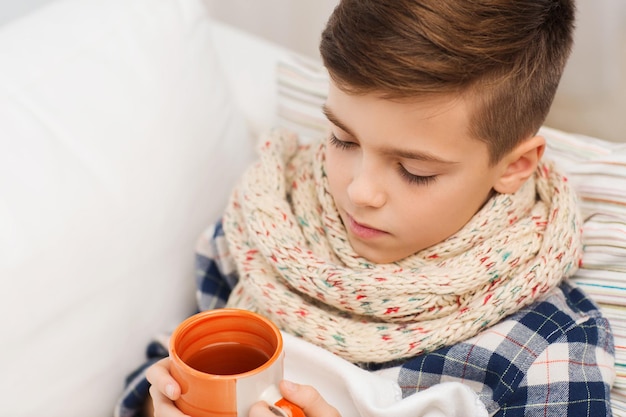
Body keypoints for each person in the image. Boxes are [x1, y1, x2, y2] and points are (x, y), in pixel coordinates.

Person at [115, 0, 615, 416]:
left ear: (514, 166)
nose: (360, 191)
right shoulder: (261, 230)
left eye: (414, 170)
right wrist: (157, 405)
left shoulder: (548, 346)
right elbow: (164, 364)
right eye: (341, 138)